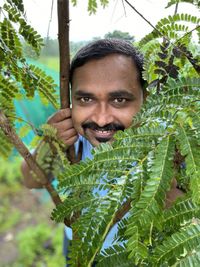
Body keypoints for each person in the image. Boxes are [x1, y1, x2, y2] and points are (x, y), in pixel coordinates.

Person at [21, 38, 183, 260]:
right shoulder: (72, 136)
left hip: (140, 255)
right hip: (78, 247)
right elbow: (31, 181)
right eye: (86, 99)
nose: (101, 119)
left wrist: (175, 200)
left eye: (119, 99)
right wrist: (50, 143)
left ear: (145, 99)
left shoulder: (173, 141)